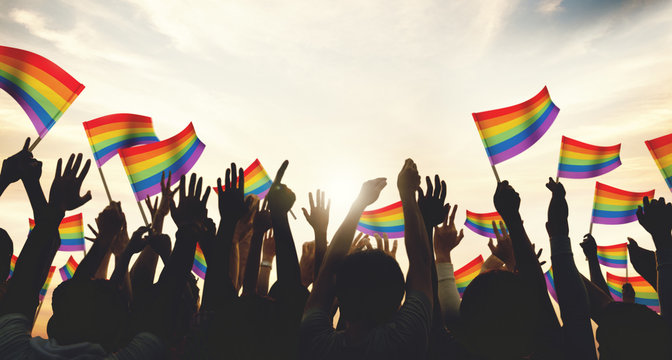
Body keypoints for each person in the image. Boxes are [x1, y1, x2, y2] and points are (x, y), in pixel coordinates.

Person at [300, 159, 433, 360]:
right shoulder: (407, 340)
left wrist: (358, 204)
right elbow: (422, 261)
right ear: (399, 294)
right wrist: (407, 194)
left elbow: (327, 268)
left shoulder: (317, 345)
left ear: (340, 291)